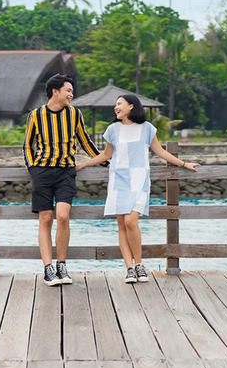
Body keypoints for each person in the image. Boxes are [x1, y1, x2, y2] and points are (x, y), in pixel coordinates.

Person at [77, 94, 199, 284]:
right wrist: (83, 165)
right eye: (115, 104)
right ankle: (129, 268)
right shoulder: (112, 130)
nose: (116, 107)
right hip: (118, 181)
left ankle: (140, 264)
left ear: (131, 106)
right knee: (121, 225)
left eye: (119, 104)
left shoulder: (147, 128)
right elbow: (106, 155)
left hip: (140, 180)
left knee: (131, 221)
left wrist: (183, 164)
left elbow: (160, 152)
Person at [23, 73, 104, 286]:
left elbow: (85, 140)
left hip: (66, 172)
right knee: (46, 219)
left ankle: (62, 265)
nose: (71, 94)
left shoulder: (74, 114)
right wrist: (33, 169)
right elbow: (28, 146)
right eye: (68, 90)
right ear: (55, 91)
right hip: (42, 171)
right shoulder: (36, 115)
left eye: (72, 91)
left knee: (63, 216)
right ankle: (48, 268)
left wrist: (104, 161)